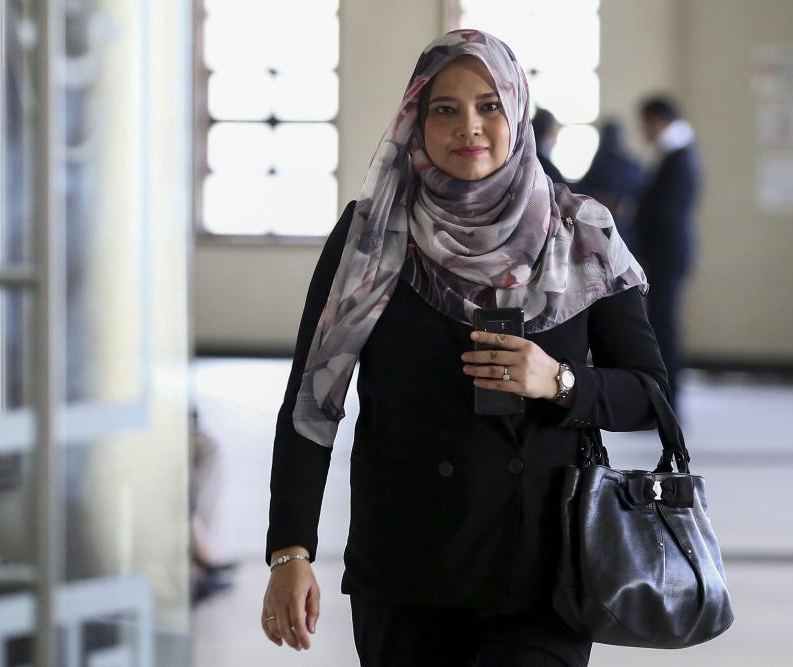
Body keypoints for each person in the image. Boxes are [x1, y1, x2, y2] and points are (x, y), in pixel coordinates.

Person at [261, 30, 668, 666]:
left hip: (540, 571)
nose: (468, 127)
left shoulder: (580, 231)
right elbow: (311, 400)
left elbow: (648, 393)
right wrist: (292, 549)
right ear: (415, 122)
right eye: (443, 109)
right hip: (406, 569)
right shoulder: (370, 235)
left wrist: (560, 381)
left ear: (517, 111)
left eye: (489, 106)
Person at [632, 95, 700, 414]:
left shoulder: (678, 157)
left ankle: (670, 402)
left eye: (645, 122)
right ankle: (665, 399)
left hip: (666, 253)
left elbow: (665, 212)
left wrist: (635, 213)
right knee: (661, 324)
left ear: (658, 120)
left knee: (664, 327)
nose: (643, 129)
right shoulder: (674, 154)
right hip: (665, 252)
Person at [578, 119, 645, 243]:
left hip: (599, 229)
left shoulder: (598, 164)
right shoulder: (633, 166)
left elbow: (583, 192)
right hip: (627, 232)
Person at [531, 108, 568, 185]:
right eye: (554, 132)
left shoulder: (529, 160)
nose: (555, 139)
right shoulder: (545, 168)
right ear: (547, 131)